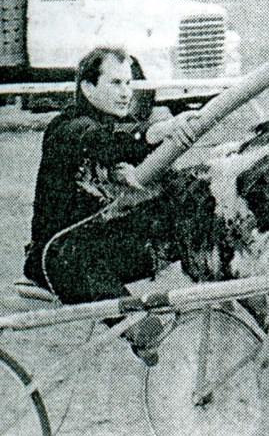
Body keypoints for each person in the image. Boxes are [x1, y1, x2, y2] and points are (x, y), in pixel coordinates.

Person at [21, 46, 198, 362]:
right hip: (57, 257)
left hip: (99, 246)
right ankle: (139, 326)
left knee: (181, 208)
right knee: (144, 321)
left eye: (129, 84)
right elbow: (103, 139)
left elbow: (134, 151)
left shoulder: (119, 129)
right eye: (115, 83)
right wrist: (155, 131)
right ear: (87, 87)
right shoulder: (64, 129)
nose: (126, 93)